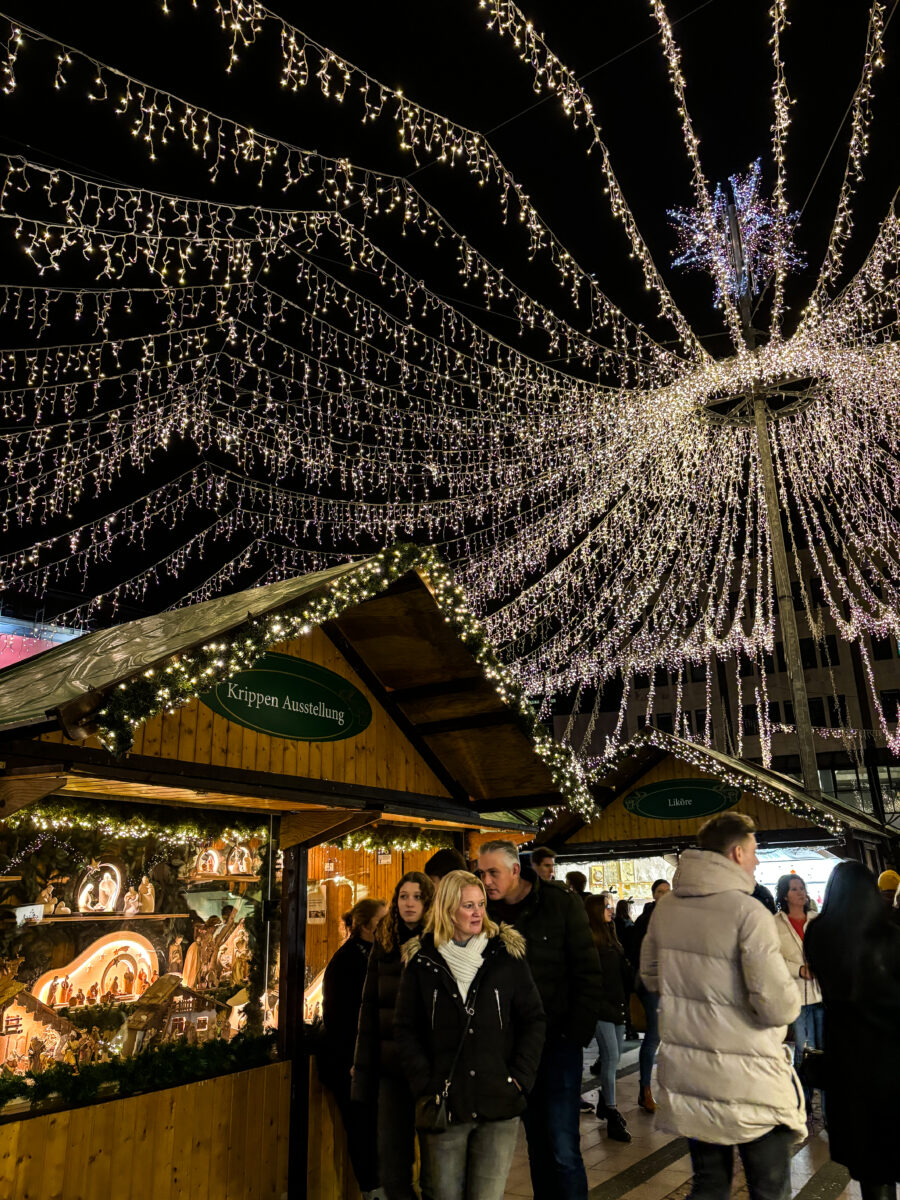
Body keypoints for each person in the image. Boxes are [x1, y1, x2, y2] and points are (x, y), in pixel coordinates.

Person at [641, 813, 804, 1200]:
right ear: (735, 853)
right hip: (750, 1079)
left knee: (709, 1186)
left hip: (693, 1075)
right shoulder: (749, 912)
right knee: (769, 1188)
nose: (757, 861)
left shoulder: (667, 909)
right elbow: (777, 1007)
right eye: (753, 852)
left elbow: (650, 976)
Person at [394, 870, 545, 1200]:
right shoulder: (423, 961)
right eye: (468, 906)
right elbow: (405, 1028)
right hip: (446, 1103)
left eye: (481, 904)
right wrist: (425, 1082)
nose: (478, 912)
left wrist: (518, 1078)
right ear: (449, 909)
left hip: (498, 1102)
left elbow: (533, 1019)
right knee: (443, 1194)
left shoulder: (505, 956)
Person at [477, 840, 603, 1200]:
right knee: (535, 1142)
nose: (486, 880)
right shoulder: (483, 913)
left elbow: (587, 972)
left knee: (562, 1144)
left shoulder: (559, 903)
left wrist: (575, 1034)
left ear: (516, 870)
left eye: (493, 873)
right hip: (511, 1047)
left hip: (557, 1041)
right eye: (482, 873)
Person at [806, 861, 900, 1200]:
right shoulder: (889, 933)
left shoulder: (818, 934)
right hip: (891, 1058)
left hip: (847, 1063)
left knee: (872, 1167)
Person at [354, 873, 436, 1200]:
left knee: (435, 1164)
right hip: (390, 1070)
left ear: (428, 902)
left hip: (429, 1068)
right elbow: (368, 1008)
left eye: (417, 896)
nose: (409, 903)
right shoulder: (384, 944)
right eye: (404, 896)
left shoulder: (439, 942)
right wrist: (361, 1072)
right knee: (392, 1164)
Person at [320, 897, 387, 1200]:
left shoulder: (376, 954)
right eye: (381, 920)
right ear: (364, 924)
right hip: (350, 1061)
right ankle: (372, 1190)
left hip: (372, 1060)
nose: (387, 926)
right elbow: (339, 1016)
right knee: (362, 1131)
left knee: (376, 1130)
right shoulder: (347, 959)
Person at [773, 874, 823, 1119]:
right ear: (785, 895)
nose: (801, 892)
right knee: (804, 1051)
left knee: (824, 1052)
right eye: (794, 889)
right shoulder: (776, 923)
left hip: (822, 994)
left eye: (802, 888)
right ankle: (802, 1106)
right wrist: (799, 969)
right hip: (797, 997)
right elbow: (773, 958)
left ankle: (827, 1110)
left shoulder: (817, 920)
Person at [584, 893, 632, 1143]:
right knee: (611, 1057)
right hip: (602, 1008)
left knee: (615, 1059)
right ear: (595, 911)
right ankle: (611, 1109)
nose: (610, 910)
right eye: (606, 907)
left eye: (611, 906)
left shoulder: (611, 936)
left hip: (618, 1005)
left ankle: (606, 1102)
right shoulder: (591, 942)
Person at [626, 877, 670, 1113]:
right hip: (650, 984)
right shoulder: (645, 921)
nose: (665, 895)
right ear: (654, 895)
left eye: (668, 891)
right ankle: (645, 1090)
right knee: (654, 1034)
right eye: (661, 891)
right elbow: (636, 954)